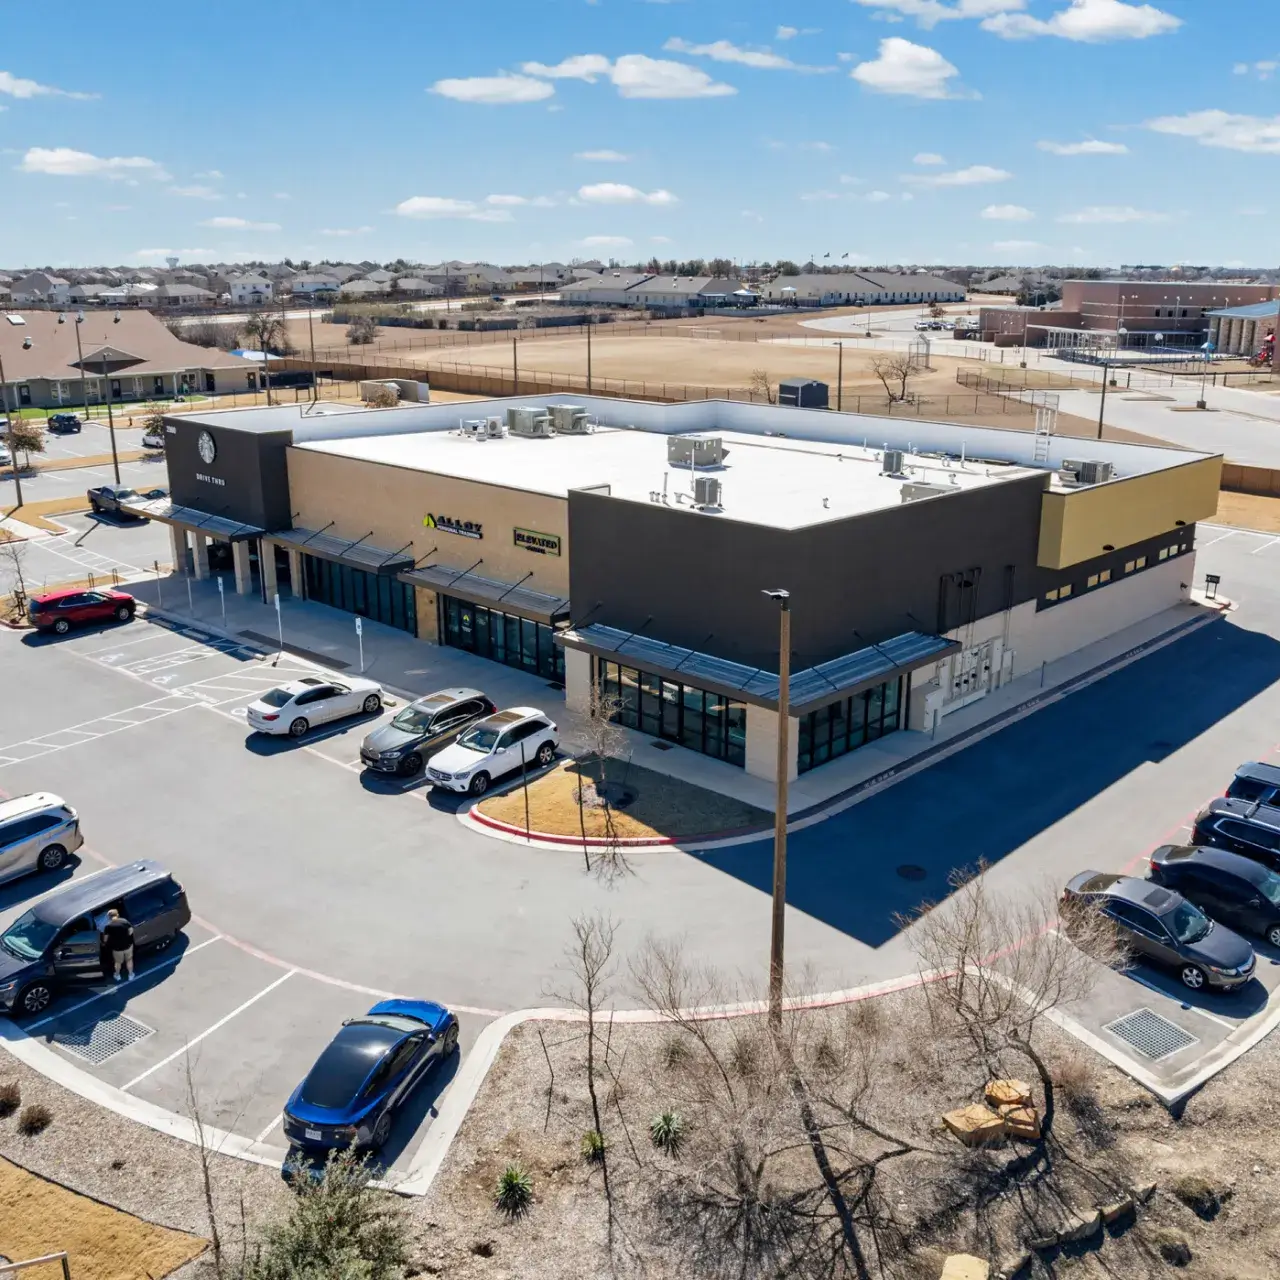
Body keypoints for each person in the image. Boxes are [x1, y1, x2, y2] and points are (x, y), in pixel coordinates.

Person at [101, 909, 134, 982]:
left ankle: (117, 975)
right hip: (127, 945)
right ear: (117, 914)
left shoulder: (108, 926)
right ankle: (131, 975)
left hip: (117, 948)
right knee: (129, 960)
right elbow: (131, 931)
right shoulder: (124, 921)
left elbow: (105, 939)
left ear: (109, 917)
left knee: (118, 962)